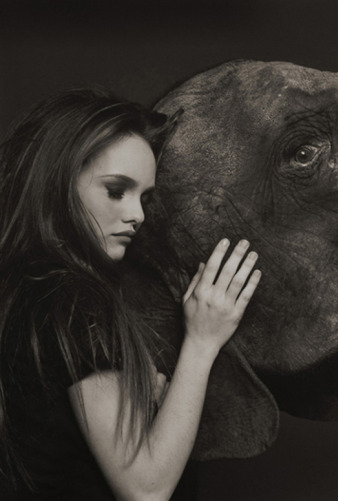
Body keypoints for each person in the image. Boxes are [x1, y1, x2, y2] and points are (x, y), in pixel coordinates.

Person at [0, 88, 261, 500]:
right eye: (116, 190)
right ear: (57, 184)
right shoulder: (73, 299)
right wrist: (202, 341)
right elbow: (147, 489)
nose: (137, 214)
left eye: (145, 197)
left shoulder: (28, 288)